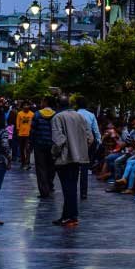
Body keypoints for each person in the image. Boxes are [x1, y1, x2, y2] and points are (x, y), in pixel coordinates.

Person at [50, 96, 94, 227]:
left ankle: (69, 216)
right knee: (72, 187)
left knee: (67, 188)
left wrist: (54, 154)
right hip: (78, 158)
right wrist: (81, 150)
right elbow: (90, 137)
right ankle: (70, 216)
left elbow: (58, 140)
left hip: (64, 158)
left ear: (58, 104)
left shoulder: (58, 117)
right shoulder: (80, 117)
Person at [31, 97, 58, 199]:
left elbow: (33, 131)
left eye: (42, 101)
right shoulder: (56, 115)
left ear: (46, 102)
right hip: (52, 144)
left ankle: (44, 190)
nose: (41, 102)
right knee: (51, 166)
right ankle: (50, 184)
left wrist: (31, 143)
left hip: (39, 144)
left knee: (41, 168)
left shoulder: (37, 114)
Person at [74, 96, 100, 200]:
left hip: (75, 143)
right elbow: (96, 130)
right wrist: (98, 142)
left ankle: (73, 190)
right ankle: (83, 193)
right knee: (84, 168)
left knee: (74, 167)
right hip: (87, 143)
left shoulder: (74, 115)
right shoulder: (91, 115)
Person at [15, 101, 35, 169]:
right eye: (25, 105)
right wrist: (18, 132)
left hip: (29, 134)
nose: (26, 106)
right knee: (21, 149)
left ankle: (27, 163)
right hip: (21, 134)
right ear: (22, 106)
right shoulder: (19, 114)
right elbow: (17, 124)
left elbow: (33, 125)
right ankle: (23, 162)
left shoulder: (32, 114)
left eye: (27, 105)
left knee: (28, 149)